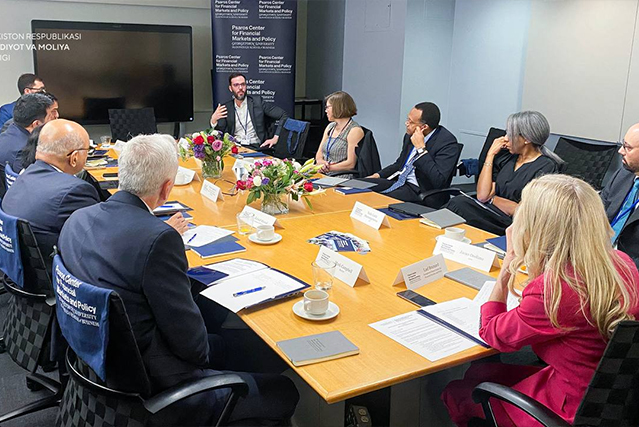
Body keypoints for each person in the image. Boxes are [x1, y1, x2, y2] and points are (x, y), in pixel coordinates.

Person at [57, 134, 299, 425]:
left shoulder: (77, 219)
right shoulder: (157, 239)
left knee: (226, 339)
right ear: (166, 188)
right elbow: (194, 350)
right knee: (283, 389)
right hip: (153, 388)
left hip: (99, 362)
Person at [441, 174, 639, 427]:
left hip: (572, 407)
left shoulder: (555, 289)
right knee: (480, 371)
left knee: (457, 392)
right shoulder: (623, 263)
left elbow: (492, 333)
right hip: (609, 393)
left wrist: (508, 264)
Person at [2, 119, 99, 292]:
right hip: (57, 283)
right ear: (74, 158)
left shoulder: (24, 176)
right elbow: (96, 243)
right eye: (87, 150)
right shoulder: (75, 191)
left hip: (23, 273)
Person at [446, 111, 559, 235]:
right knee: (456, 204)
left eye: (510, 134)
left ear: (526, 139)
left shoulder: (546, 167)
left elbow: (523, 211)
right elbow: (483, 195)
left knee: (459, 205)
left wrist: (492, 200)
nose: (505, 138)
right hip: (493, 213)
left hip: (515, 224)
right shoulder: (507, 158)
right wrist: (490, 154)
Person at [363, 102, 459, 206]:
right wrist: (377, 175)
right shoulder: (409, 136)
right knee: (357, 186)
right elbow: (399, 164)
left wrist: (421, 150)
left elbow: (439, 180)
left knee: (375, 201)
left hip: (420, 190)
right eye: (407, 119)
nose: (406, 123)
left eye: (411, 122)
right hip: (399, 181)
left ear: (424, 127)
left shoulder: (447, 143)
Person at [0, 93, 57, 197]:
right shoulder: (23, 151)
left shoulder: (11, 128)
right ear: (36, 124)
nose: (56, 116)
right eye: (51, 114)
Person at [210, 73, 288, 148]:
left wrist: (275, 138)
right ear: (230, 88)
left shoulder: (258, 102)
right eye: (236, 85)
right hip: (236, 148)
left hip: (258, 147)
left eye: (243, 84)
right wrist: (213, 121)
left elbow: (283, 115)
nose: (240, 88)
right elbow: (220, 134)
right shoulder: (226, 108)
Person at [601, 122, 639, 269]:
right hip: (599, 253)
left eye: (628, 147)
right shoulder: (622, 174)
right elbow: (598, 209)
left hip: (628, 268)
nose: (620, 151)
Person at [314, 91, 364, 179]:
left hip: (340, 176)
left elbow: (350, 164)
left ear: (337, 107)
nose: (326, 111)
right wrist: (320, 162)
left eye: (327, 107)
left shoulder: (354, 131)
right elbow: (319, 152)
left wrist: (327, 168)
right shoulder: (330, 127)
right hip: (323, 173)